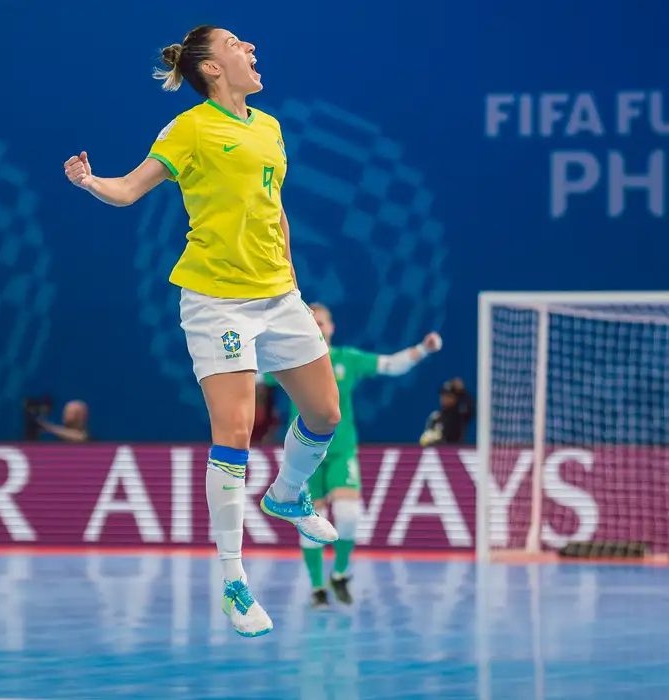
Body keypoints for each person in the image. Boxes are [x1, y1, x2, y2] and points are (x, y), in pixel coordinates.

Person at [63, 25, 342, 638]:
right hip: (219, 302)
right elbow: (130, 189)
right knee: (235, 430)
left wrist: (288, 273)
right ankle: (234, 581)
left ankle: (289, 494)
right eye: (238, 45)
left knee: (325, 413)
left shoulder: (268, 127)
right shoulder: (188, 129)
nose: (251, 49)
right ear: (212, 68)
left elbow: (273, 206)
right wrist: (89, 182)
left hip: (279, 294)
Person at [265, 303, 442, 609]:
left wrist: (422, 350)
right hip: (304, 457)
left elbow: (390, 364)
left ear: (331, 328)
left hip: (341, 450)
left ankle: (341, 574)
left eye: (322, 323)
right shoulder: (289, 362)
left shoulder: (348, 359)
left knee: (348, 517)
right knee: (309, 523)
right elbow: (252, 376)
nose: (318, 328)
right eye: (312, 323)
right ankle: (318, 588)